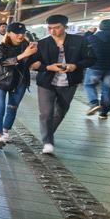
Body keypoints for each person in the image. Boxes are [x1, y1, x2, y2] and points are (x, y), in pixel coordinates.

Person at [34, 15, 95, 154]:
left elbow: (91, 59)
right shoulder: (42, 43)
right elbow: (34, 63)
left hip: (69, 82)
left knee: (61, 111)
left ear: (65, 27)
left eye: (57, 28)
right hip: (46, 82)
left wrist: (76, 66)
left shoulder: (80, 41)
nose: (52, 31)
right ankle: (47, 141)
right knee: (46, 113)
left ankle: (48, 133)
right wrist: (48, 67)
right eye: (49, 28)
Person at [0, 22, 38, 148]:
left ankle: (5, 131)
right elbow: (2, 62)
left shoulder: (29, 47)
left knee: (12, 108)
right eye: (17, 33)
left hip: (20, 82)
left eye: (22, 33)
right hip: (1, 81)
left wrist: (36, 62)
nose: (20, 35)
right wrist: (24, 55)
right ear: (9, 33)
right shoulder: (1, 47)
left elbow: (35, 63)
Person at [85, 19, 110, 119]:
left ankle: (94, 103)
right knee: (107, 89)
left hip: (95, 67)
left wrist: (89, 32)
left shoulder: (93, 37)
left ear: (100, 27)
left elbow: (84, 41)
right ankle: (104, 113)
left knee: (89, 85)